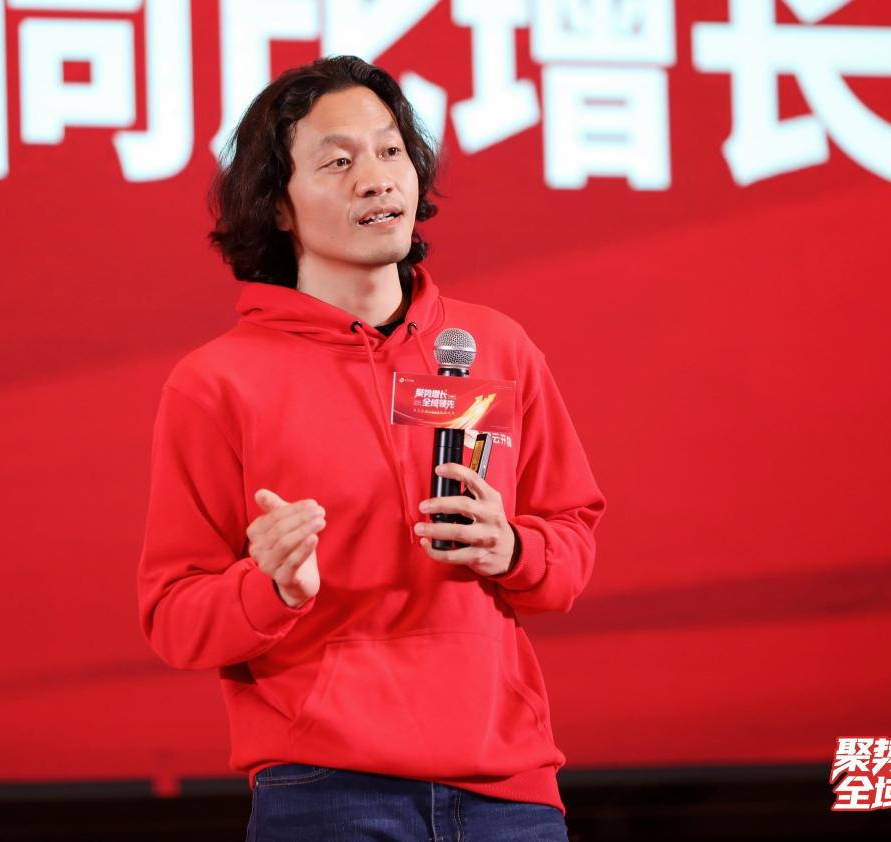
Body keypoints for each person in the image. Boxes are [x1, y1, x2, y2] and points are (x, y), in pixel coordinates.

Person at [137, 55, 606, 842]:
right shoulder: (216, 382)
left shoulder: (493, 347)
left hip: (509, 790)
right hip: (325, 792)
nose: (376, 179)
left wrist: (513, 548)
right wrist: (271, 587)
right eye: (338, 162)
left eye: (390, 151)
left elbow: (570, 542)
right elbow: (174, 617)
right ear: (277, 206)